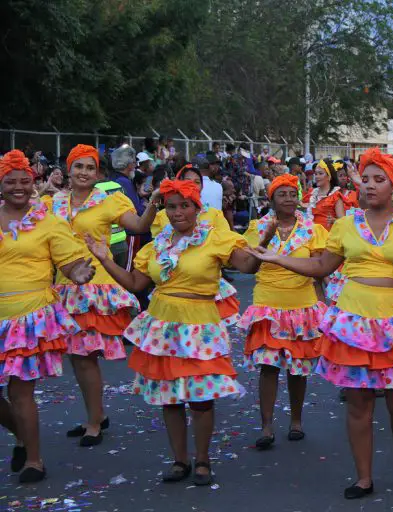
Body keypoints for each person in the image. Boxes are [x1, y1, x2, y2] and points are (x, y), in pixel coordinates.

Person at [251, 148, 393, 499]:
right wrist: (279, 258)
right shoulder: (344, 224)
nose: (369, 186)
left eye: (378, 180)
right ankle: (364, 477)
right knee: (359, 403)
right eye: (365, 179)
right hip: (354, 320)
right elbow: (322, 267)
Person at [84, 180, 258, 486]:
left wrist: (265, 242)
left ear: (196, 208)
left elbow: (247, 266)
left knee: (201, 399)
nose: (178, 213)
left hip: (200, 326)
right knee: (170, 399)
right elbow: (136, 285)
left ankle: (202, 460)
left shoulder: (216, 238)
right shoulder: (156, 245)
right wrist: (104, 258)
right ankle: (180, 460)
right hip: (163, 325)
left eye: (184, 206)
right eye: (171, 206)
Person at [48, 145, 160, 446]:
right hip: (63, 287)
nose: (84, 172)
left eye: (90, 167)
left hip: (95, 288)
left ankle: (95, 422)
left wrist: (153, 203)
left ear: (98, 173)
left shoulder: (108, 201)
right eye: (78, 166)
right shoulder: (53, 203)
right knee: (77, 357)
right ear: (68, 170)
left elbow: (138, 226)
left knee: (85, 357)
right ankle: (94, 415)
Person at [0, 150, 96, 483]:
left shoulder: (48, 221)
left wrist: (78, 271)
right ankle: (24, 438)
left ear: (33, 184)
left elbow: (68, 261)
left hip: (27, 318)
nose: (18, 187)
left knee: (19, 391)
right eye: (10, 181)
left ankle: (34, 460)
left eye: (25, 181)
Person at [239, 175, 329, 449]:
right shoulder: (257, 227)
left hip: (301, 307)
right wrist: (265, 238)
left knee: (297, 369)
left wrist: (327, 307)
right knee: (268, 367)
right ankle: (266, 427)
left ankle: (296, 422)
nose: (289, 199)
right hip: (268, 305)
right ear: (272, 200)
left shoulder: (313, 230)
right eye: (283, 194)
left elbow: (319, 271)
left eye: (293, 194)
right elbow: (249, 267)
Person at [150, 165, 240, 327]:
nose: (192, 185)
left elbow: (227, 248)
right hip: (171, 284)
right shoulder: (162, 215)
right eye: (187, 181)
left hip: (203, 283)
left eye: (197, 182)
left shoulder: (214, 214)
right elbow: (157, 247)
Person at [304, 159, 344, 229]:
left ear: (329, 177)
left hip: (328, 236)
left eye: (320, 173)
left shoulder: (335, 195)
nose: (316, 176)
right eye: (315, 174)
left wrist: (334, 221)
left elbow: (343, 222)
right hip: (313, 235)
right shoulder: (312, 194)